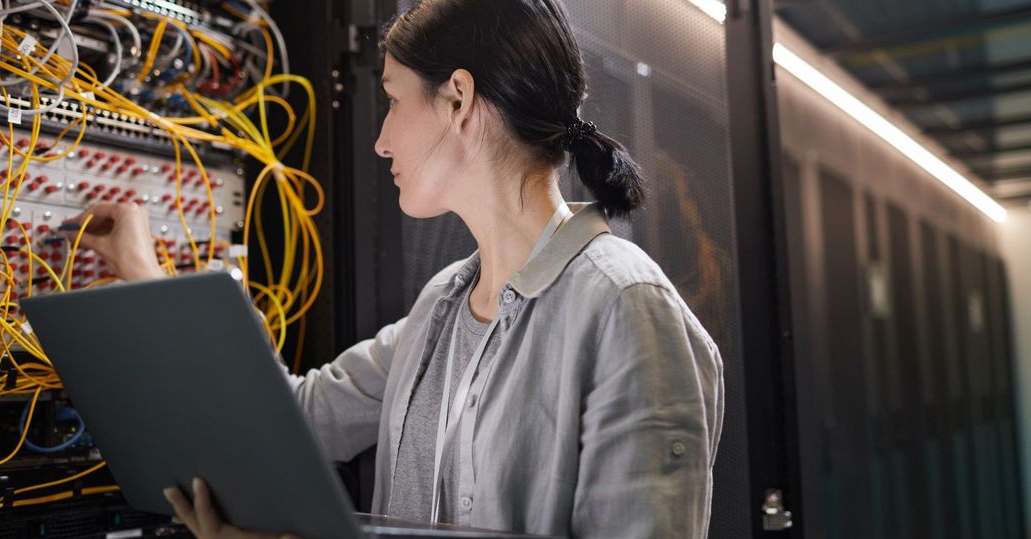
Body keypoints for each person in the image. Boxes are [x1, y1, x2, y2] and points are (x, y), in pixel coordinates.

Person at [63, 0, 724, 537]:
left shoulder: (624, 306)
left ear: (458, 99)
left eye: (393, 98)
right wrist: (147, 277)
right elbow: (296, 419)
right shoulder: (444, 305)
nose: (380, 138)